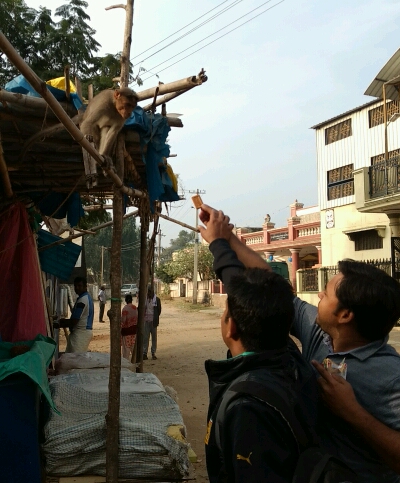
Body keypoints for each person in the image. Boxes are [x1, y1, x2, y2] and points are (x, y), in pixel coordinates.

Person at [199, 204, 400, 483]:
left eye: (327, 293)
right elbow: (265, 289)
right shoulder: (321, 337)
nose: (318, 294)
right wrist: (225, 240)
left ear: (345, 315)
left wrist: (353, 413)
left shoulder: (390, 375)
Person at [198, 207, 318, 482]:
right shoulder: (286, 355)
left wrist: (222, 242)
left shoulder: (247, 408)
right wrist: (224, 240)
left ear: (232, 327)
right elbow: (263, 284)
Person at [59, 276, 94, 353]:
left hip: (80, 333)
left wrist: (59, 323)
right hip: (81, 333)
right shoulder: (86, 298)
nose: (77, 288)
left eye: (79, 286)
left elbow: (74, 321)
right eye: (75, 286)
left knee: (75, 360)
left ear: (85, 287)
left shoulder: (82, 300)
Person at [143, 287, 161, 360]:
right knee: (145, 338)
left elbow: (159, 310)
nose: (149, 294)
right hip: (146, 321)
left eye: (150, 292)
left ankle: (153, 352)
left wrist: (155, 317)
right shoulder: (145, 299)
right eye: (148, 292)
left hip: (153, 322)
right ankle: (144, 353)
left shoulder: (157, 300)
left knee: (154, 338)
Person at [121, 294, 138, 360]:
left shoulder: (125, 309)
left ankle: (126, 362)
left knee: (126, 348)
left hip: (127, 331)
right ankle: (135, 361)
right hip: (134, 331)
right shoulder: (135, 308)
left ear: (125, 300)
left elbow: (123, 320)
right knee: (133, 347)